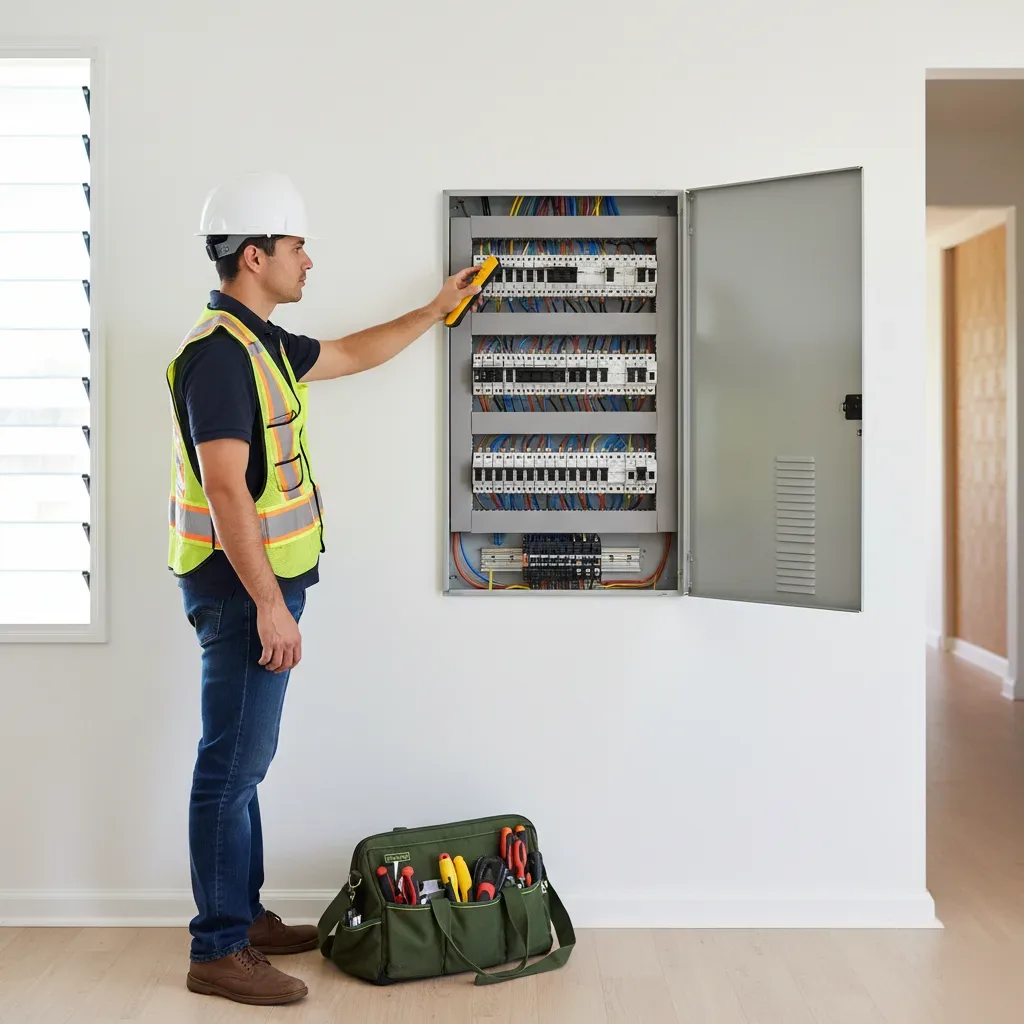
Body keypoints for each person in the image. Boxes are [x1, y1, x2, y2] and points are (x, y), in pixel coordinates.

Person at [167, 171, 480, 1006]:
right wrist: (269, 603)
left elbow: (345, 353)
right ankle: (218, 948)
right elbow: (227, 490)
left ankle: (245, 916)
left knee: (246, 762)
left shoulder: (262, 342)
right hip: (243, 594)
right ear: (257, 254)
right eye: (299, 247)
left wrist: (433, 309)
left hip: (262, 588)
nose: (311, 260)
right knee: (229, 768)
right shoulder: (219, 358)